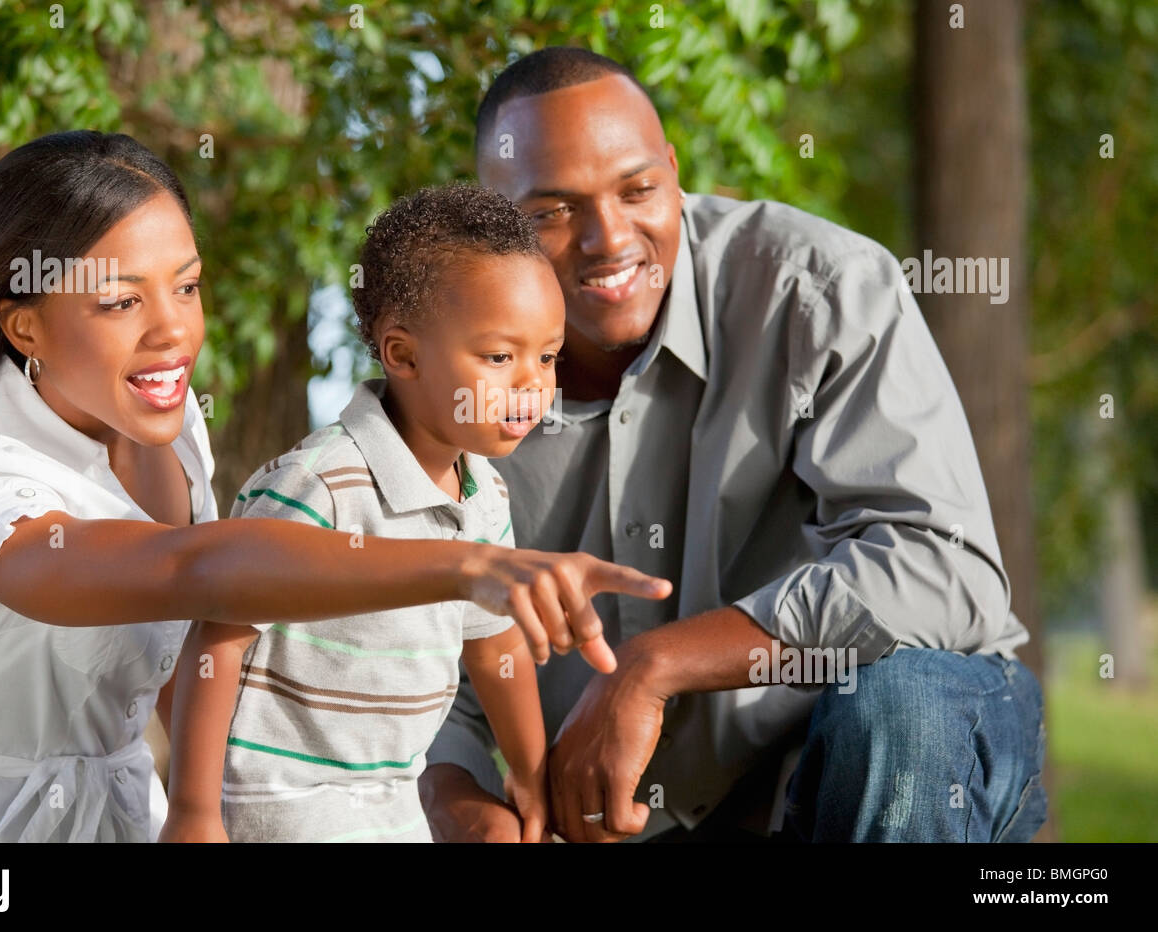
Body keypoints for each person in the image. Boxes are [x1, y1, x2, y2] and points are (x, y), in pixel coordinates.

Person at [0, 131, 671, 842]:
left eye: (186, 285)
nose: (175, 329)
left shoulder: (170, 435)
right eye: (119, 301)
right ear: (24, 325)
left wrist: (206, 808)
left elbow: (185, 664)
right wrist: (466, 567)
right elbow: (193, 572)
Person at [420, 47, 1048, 843]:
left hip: (847, 774)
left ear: (673, 171)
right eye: (552, 211)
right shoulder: (441, 377)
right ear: (493, 220)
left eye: (639, 189)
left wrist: (662, 663)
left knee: (904, 709)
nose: (609, 238)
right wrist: (455, 797)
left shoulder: (822, 290)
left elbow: (947, 569)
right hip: (611, 826)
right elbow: (415, 651)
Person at [161, 184, 577, 843]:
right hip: (284, 806)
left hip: (394, 801)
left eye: (548, 356)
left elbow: (493, 643)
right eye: (500, 357)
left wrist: (531, 773)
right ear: (403, 355)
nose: (533, 382)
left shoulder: (485, 495)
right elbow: (218, 638)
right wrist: (192, 812)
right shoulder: (319, 484)